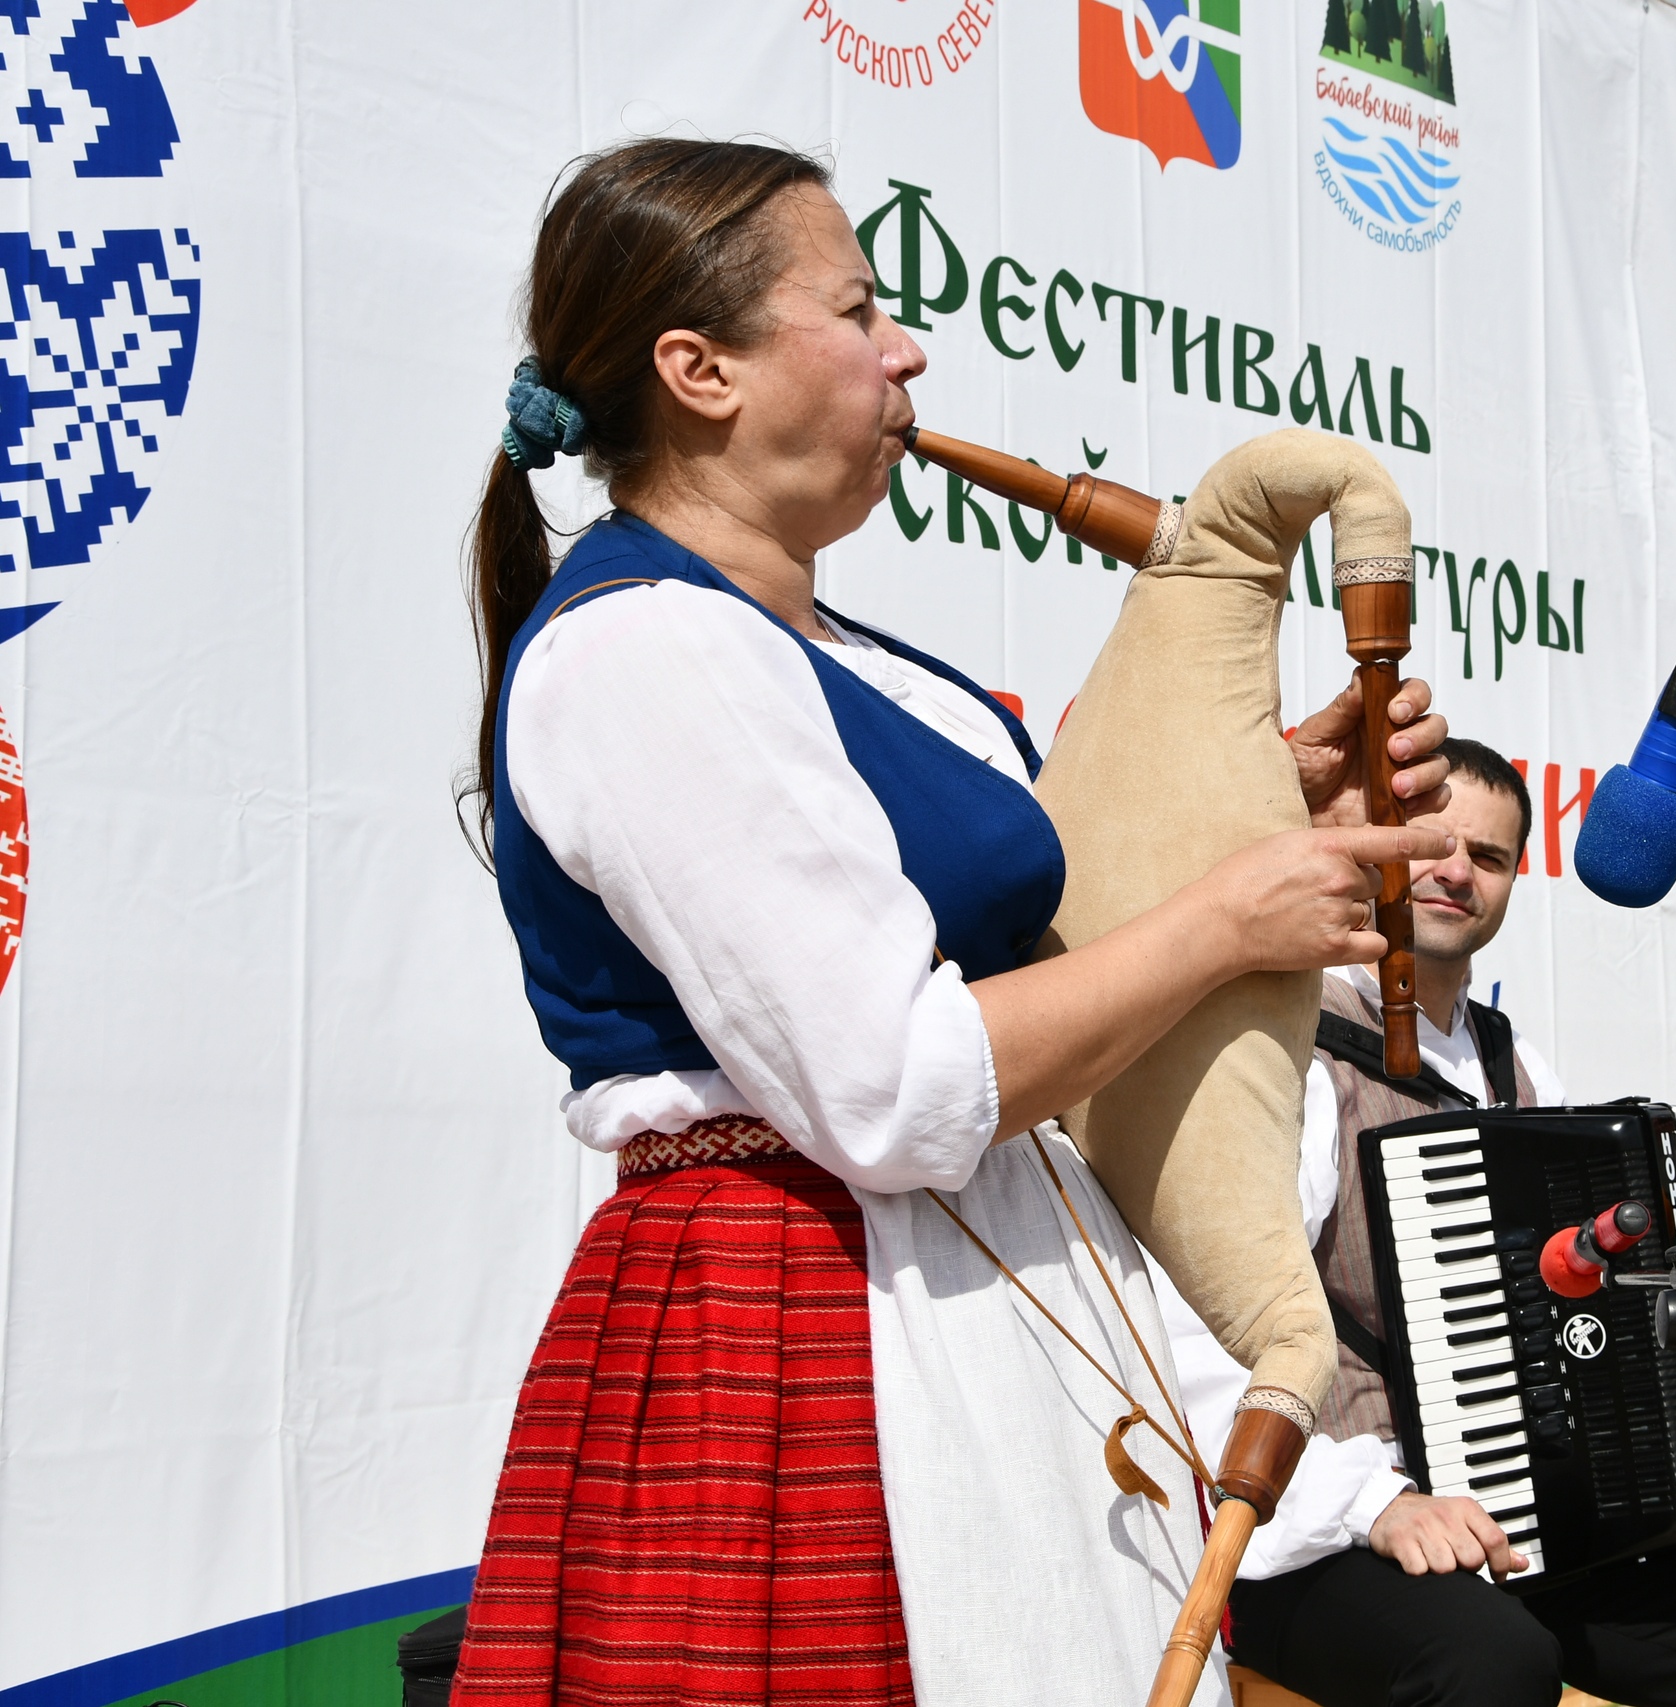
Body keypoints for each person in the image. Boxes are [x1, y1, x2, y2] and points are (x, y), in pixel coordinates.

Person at [445, 139, 1455, 1706]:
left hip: (978, 1284)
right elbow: (893, 1088)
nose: (907, 347)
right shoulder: (640, 653)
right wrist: (1224, 919)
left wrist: (1270, 808)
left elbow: (1040, 958)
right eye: (857, 310)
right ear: (698, 369)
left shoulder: (856, 654)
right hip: (790, 1333)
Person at [1168, 739, 1676, 1707]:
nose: (1457, 872)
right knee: (1490, 1664)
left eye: (1488, 858)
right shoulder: (1291, 1052)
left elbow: (1591, 1313)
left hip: (1535, 1526)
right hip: (1322, 1530)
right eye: (1432, 845)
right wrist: (1376, 1504)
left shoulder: (1516, 1069)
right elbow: (1202, 1330)